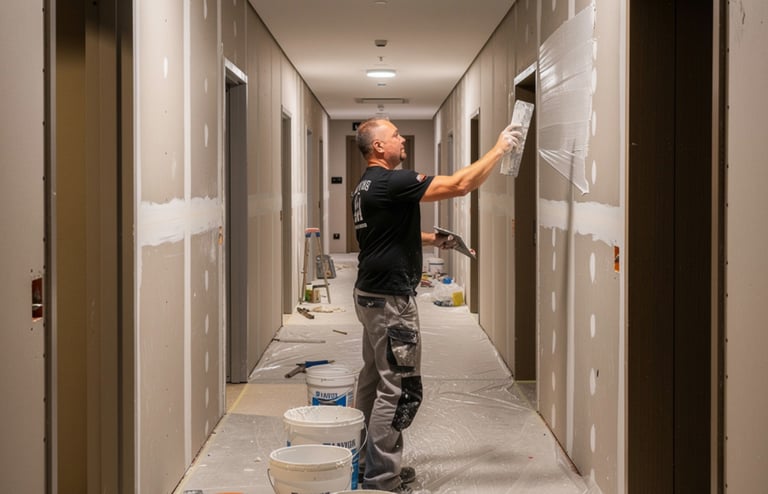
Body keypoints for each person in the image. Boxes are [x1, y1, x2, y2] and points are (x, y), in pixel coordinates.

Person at [351, 117, 521, 493]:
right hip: (391, 300)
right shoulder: (394, 181)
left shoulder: (364, 186)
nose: (401, 139)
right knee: (398, 388)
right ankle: (382, 480)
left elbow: (383, 233)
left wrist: (432, 238)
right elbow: (461, 185)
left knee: (374, 379)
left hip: (370, 294)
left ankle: (364, 465)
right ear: (378, 147)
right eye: (394, 135)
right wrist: (499, 148)